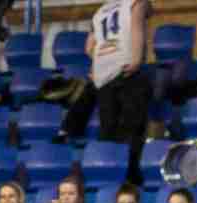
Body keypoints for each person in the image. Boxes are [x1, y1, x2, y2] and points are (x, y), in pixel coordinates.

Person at [60, 0, 153, 183]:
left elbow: (89, 47)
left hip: (103, 75)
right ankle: (131, 179)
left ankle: (110, 178)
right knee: (132, 128)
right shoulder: (135, 3)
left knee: (108, 130)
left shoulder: (100, 11)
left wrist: (101, 62)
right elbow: (137, 30)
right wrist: (136, 59)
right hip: (126, 69)